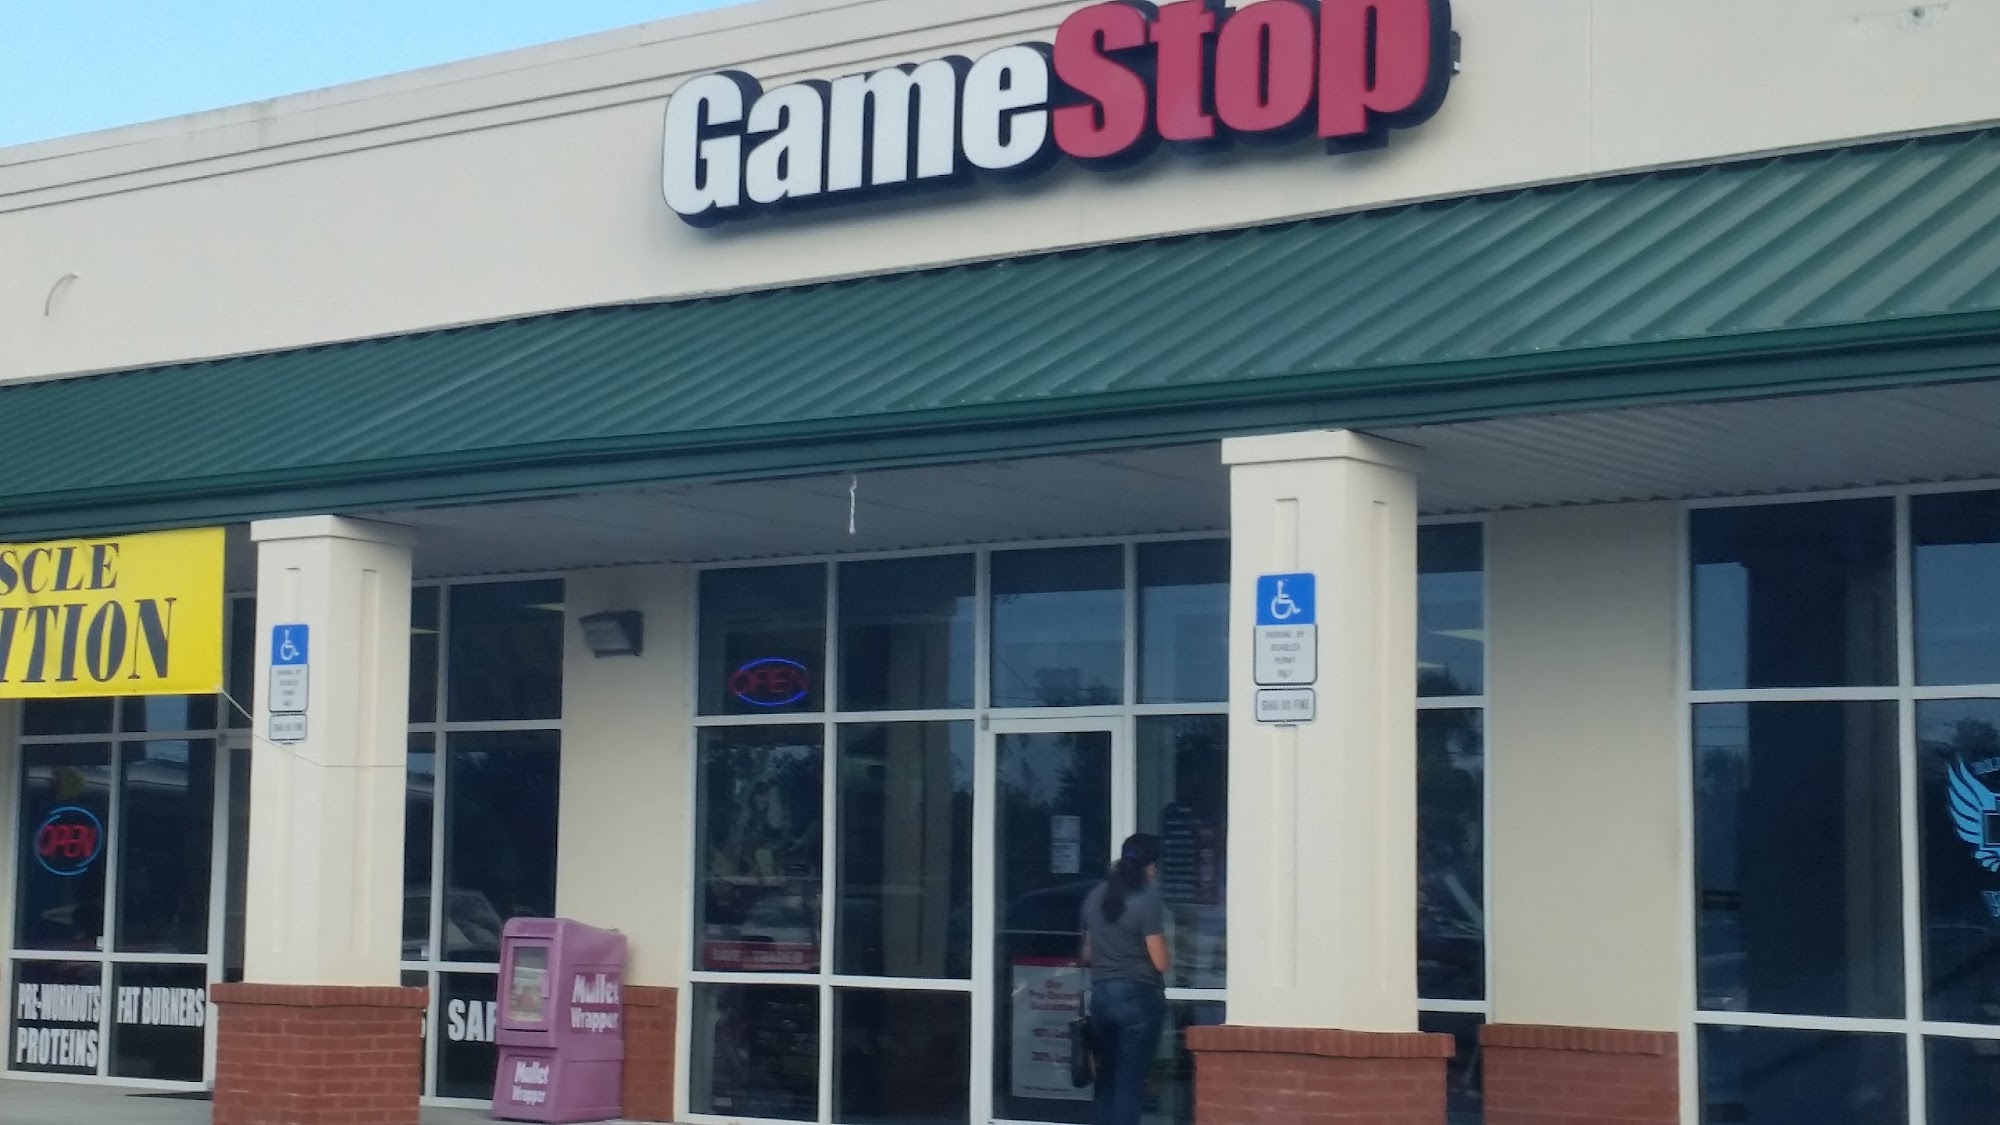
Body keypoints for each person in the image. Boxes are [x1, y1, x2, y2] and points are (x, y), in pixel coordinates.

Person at [1079, 833, 1169, 1125]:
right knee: (1130, 1083)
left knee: (1107, 1081)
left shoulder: (1094, 896)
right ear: (1150, 866)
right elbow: (1160, 961)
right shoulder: (1146, 900)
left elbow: (1088, 954)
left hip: (1102, 997)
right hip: (1139, 1000)